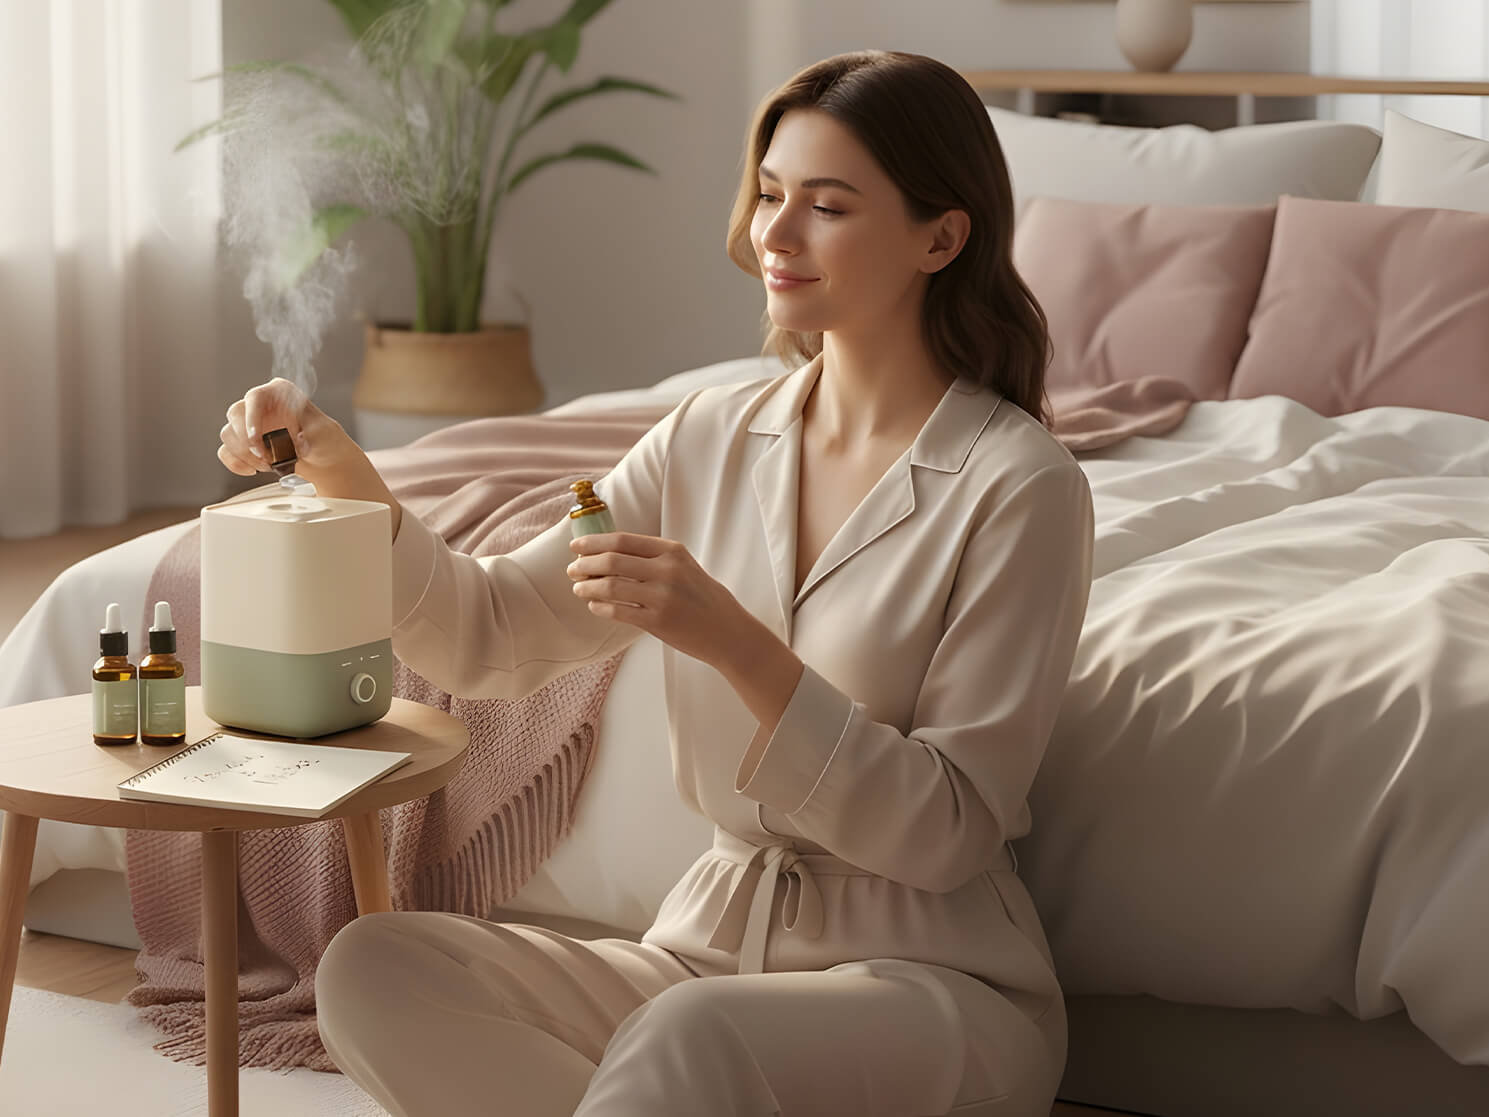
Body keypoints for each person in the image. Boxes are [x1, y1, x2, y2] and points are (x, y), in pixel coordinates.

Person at [214, 49, 1093, 1117]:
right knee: (375, 966)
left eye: (826, 206)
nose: (774, 234)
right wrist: (346, 478)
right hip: (704, 955)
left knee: (688, 1033)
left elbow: (948, 829)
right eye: (769, 193)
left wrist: (731, 639)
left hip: (927, 984)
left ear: (940, 238)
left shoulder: (1020, 486)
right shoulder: (706, 435)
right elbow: (490, 633)